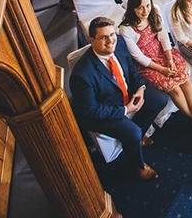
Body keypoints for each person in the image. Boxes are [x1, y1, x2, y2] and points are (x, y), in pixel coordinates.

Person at [69, 17, 168, 181]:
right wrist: (125, 110)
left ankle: (139, 135)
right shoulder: (82, 74)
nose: (110, 41)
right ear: (91, 39)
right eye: (103, 37)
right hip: (103, 110)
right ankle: (139, 166)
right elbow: (91, 110)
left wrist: (141, 89)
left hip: (126, 94)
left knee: (159, 99)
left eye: (112, 34)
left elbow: (132, 71)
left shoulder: (120, 43)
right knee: (133, 133)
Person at [118, 0, 192, 143]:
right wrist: (162, 69)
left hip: (164, 53)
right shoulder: (126, 29)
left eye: (147, 6)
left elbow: (163, 37)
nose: (145, 11)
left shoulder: (155, 11)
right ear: (133, 9)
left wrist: (170, 60)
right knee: (174, 88)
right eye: (140, 7)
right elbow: (138, 57)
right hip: (148, 64)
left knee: (184, 78)